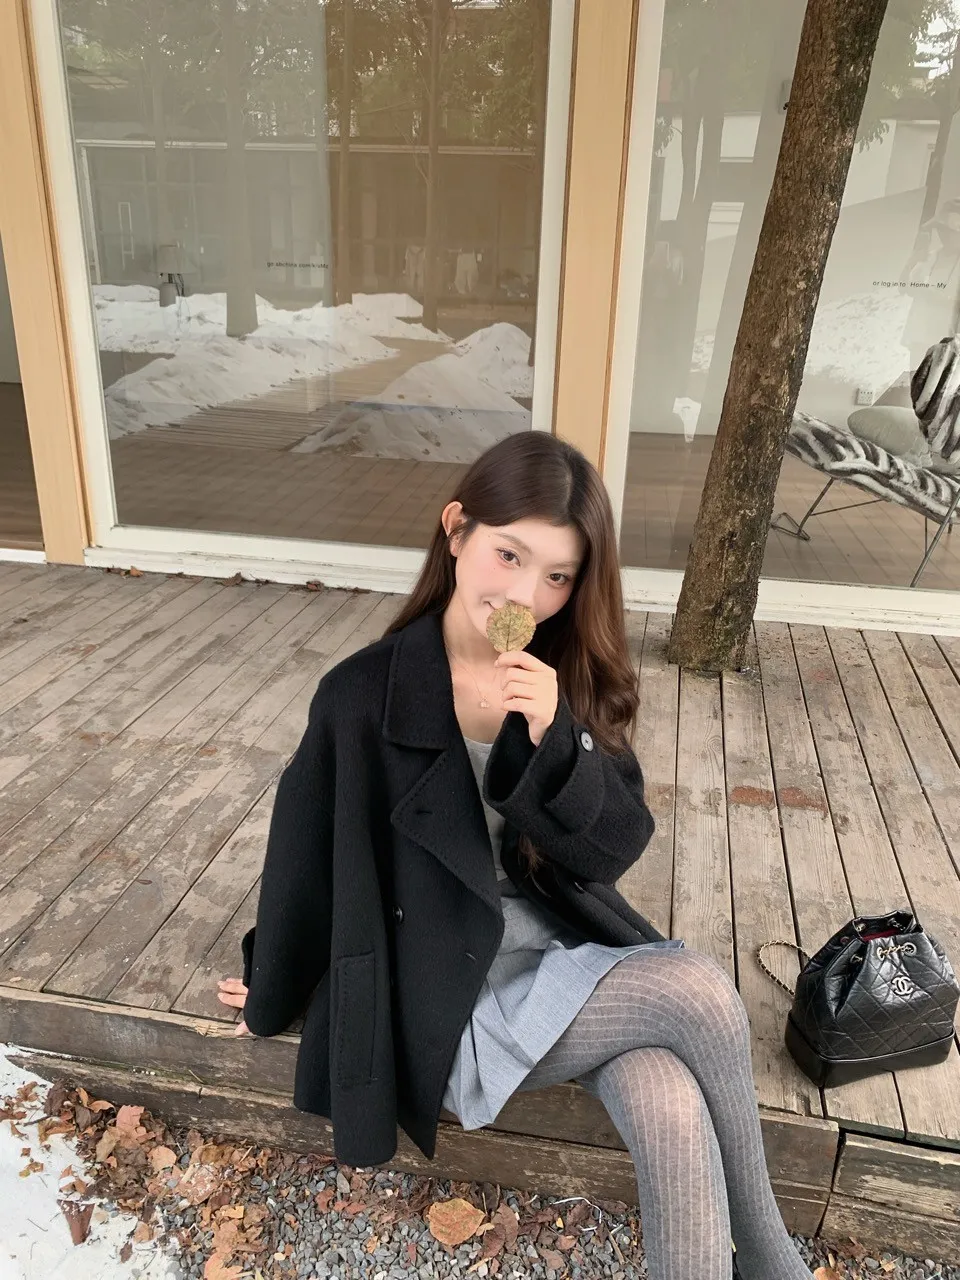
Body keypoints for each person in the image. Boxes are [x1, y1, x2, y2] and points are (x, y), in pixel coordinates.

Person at [217, 432, 814, 1280]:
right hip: (446, 988)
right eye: (509, 555)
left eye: (558, 576)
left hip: (551, 950)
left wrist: (553, 739)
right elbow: (304, 857)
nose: (526, 595)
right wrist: (271, 987)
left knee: (669, 1099)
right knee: (697, 992)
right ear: (456, 529)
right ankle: (771, 1259)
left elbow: (616, 848)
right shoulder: (361, 695)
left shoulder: (558, 677)